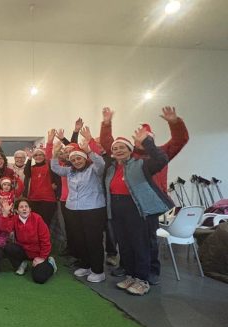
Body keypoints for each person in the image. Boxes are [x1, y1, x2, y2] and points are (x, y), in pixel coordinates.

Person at [104, 128, 172, 296]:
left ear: (130, 149)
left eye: (122, 147)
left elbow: (162, 158)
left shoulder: (142, 164)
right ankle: (131, 275)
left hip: (138, 211)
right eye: (115, 148)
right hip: (118, 211)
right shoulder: (111, 169)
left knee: (140, 245)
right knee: (125, 246)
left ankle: (142, 280)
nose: (118, 150)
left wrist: (148, 142)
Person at [51, 127, 108, 283]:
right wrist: (55, 153)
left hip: (93, 210)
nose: (76, 161)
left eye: (79, 158)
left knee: (93, 240)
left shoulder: (94, 169)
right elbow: (55, 167)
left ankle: (98, 270)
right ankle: (86, 265)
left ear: (85, 158)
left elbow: (101, 163)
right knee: (80, 239)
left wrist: (89, 149)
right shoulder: (70, 171)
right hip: (73, 210)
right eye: (74, 159)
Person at [1, 198, 56, 284]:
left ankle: (51, 263)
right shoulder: (15, 219)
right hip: (24, 251)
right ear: (16, 210)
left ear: (30, 209)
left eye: (26, 207)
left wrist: (42, 257)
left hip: (38, 253)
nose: (24, 209)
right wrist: (5, 214)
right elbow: (5, 229)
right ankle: (22, 264)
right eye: (21, 207)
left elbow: (45, 240)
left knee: (39, 278)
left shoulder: (37, 219)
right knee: (8, 247)